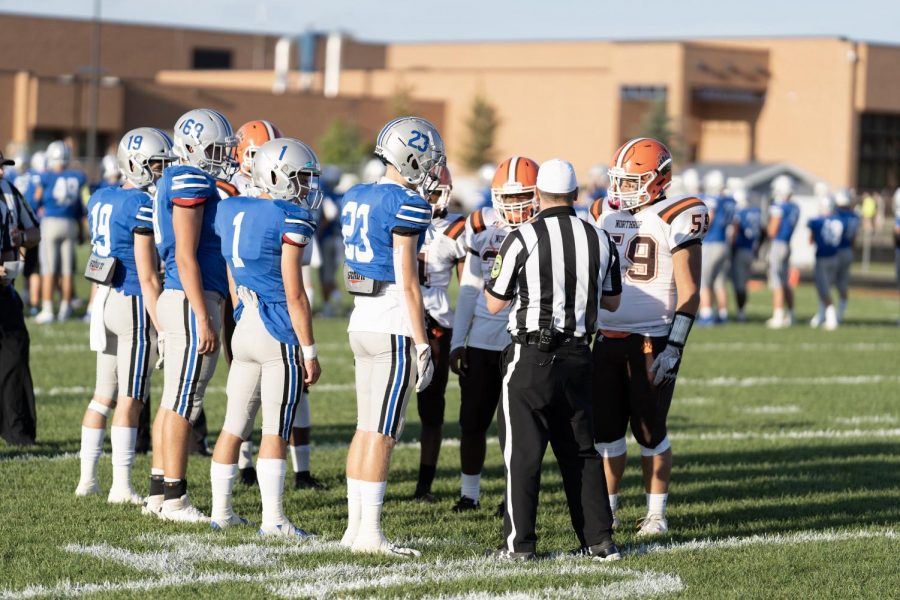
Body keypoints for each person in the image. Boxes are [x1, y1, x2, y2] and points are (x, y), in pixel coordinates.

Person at [484, 158, 621, 561]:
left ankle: (520, 545)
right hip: (580, 355)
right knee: (581, 452)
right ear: (576, 195)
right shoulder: (598, 237)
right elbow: (611, 301)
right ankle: (599, 540)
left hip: (532, 355)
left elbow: (494, 302)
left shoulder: (523, 236)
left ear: (537, 194)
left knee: (523, 454)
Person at [590, 137, 707, 537]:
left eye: (631, 181)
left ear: (658, 181)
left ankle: (656, 514)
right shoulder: (600, 213)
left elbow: (689, 290)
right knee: (606, 432)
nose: (620, 189)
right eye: (618, 180)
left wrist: (675, 345)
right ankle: (608, 510)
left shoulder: (676, 214)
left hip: (650, 340)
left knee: (649, 430)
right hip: (606, 339)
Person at [339, 116, 443, 557]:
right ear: (411, 156)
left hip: (360, 318)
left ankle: (354, 529)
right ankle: (370, 534)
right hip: (391, 323)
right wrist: (423, 342)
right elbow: (408, 281)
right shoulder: (407, 203)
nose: (432, 168)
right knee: (382, 433)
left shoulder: (357, 193)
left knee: (366, 429)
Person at [210, 138, 322, 535]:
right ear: (276, 175)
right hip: (277, 329)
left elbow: (228, 269)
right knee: (275, 429)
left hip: (245, 323)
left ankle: (220, 512)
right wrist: (309, 349)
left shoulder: (230, 207)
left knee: (234, 424)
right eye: (301, 176)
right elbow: (295, 292)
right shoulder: (288, 216)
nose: (307, 186)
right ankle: (273, 519)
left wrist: (241, 308)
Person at [144, 108, 235, 523]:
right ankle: (176, 497)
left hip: (180, 296)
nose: (222, 156)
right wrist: (203, 313)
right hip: (188, 297)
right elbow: (184, 253)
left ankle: (159, 491)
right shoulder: (190, 179)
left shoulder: (177, 177)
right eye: (215, 148)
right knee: (184, 401)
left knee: (174, 399)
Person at [74, 128, 172, 502]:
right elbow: (148, 276)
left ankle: (86, 480)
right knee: (131, 397)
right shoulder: (141, 205)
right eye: (157, 163)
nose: (162, 170)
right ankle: (121, 485)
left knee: (102, 395)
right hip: (131, 300)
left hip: (103, 299)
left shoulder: (100, 197)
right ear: (137, 165)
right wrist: (162, 328)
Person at [448, 156, 538, 513]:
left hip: (523, 339)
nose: (514, 206)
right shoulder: (479, 224)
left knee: (515, 428)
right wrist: (459, 341)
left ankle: (510, 496)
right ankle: (469, 493)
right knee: (472, 422)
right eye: (508, 197)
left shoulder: (544, 230)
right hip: (483, 340)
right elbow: (469, 288)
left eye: (521, 198)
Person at [411, 167, 466, 502]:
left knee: (432, 409)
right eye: (427, 192)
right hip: (402, 323)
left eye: (436, 192)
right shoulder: (400, 218)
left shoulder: (458, 228)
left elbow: (469, 288)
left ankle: (424, 486)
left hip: (437, 328)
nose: (432, 199)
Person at [0, 154, 39, 446]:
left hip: (5, 289)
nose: (2, 171)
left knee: (15, 355)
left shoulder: (10, 192)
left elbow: (35, 232)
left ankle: (17, 429)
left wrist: (21, 235)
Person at [33, 141, 88, 323]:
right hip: (70, 223)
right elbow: (80, 207)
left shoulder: (46, 176)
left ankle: (48, 309)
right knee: (66, 270)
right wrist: (81, 230)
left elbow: (36, 199)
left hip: (51, 222)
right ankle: (65, 308)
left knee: (49, 269)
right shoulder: (76, 176)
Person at [697, 170, 735, 326]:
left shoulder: (713, 199)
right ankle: (723, 314)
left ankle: (706, 315)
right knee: (719, 282)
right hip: (724, 243)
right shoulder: (730, 201)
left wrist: (698, 233)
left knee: (704, 281)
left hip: (712, 242)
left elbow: (709, 217)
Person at [765, 175, 799, 329]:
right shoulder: (794, 207)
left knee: (776, 280)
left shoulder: (779, 206)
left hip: (778, 244)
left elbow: (772, 230)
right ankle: (791, 314)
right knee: (784, 281)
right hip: (787, 244)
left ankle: (778, 315)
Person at [807, 194, 844, 330]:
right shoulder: (839, 220)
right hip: (835, 257)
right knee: (827, 287)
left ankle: (831, 318)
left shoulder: (816, 221)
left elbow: (811, 240)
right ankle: (821, 315)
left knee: (823, 289)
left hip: (823, 257)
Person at [731, 184, 762, 322]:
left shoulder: (740, 212)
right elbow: (763, 231)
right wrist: (758, 248)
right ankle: (741, 312)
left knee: (739, 284)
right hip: (750, 250)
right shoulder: (756, 211)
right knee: (743, 283)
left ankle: (740, 313)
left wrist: (731, 246)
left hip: (740, 250)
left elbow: (735, 229)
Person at [833, 190, 860, 323]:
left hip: (836, 251)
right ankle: (839, 315)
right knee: (843, 284)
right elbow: (854, 238)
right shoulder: (855, 217)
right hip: (848, 250)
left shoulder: (837, 216)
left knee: (825, 283)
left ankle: (826, 314)